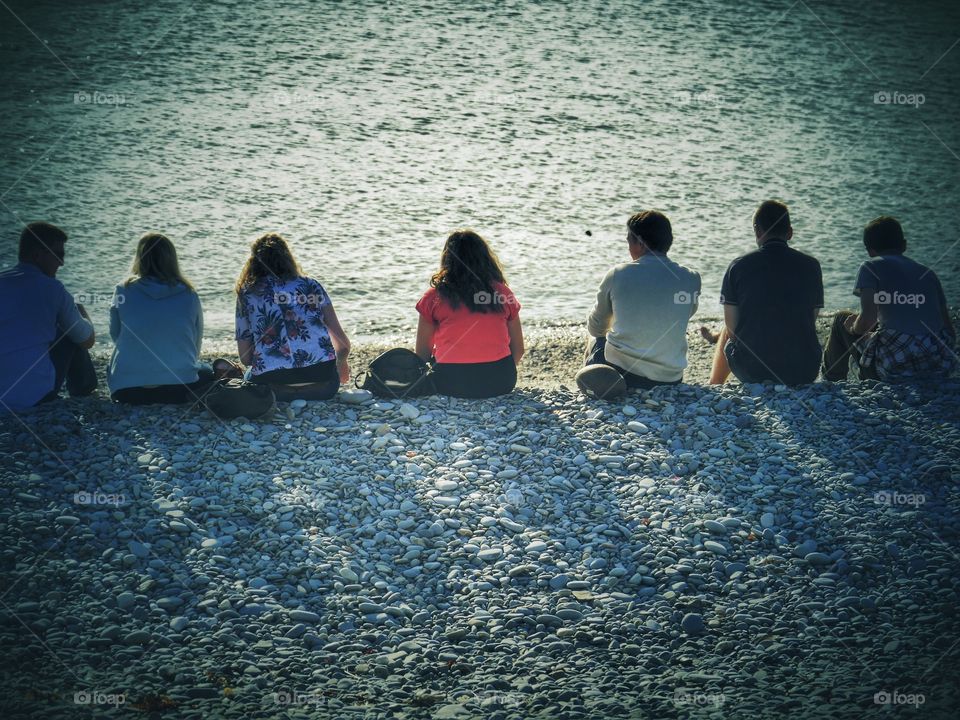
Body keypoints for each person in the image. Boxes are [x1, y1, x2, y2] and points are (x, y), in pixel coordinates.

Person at [577, 211, 701, 399]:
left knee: (595, 338)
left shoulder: (619, 274)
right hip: (671, 378)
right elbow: (683, 314)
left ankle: (594, 385)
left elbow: (596, 327)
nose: (628, 247)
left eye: (629, 240)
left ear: (640, 242)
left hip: (623, 373)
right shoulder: (691, 278)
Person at [822, 216, 956, 382]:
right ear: (904, 245)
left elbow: (867, 321)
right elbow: (949, 330)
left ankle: (831, 380)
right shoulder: (928, 273)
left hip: (892, 372)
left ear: (870, 250)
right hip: (935, 369)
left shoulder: (870, 267)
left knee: (841, 318)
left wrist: (852, 329)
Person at [709, 200, 823, 385]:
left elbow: (732, 330)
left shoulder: (739, 266)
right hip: (804, 370)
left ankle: (714, 383)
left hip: (754, 371)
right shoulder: (812, 266)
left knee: (727, 332)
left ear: (757, 231)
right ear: (790, 232)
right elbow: (810, 318)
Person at [235, 233, 351, 401]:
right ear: (288, 258)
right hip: (323, 387)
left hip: (273, 390)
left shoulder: (248, 293)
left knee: (247, 374)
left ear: (253, 263)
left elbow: (245, 358)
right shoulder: (311, 285)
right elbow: (342, 344)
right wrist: (341, 363)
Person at [414, 229, 524, 398]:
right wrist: (499, 370)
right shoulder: (503, 293)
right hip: (501, 382)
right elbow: (519, 349)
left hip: (447, 383)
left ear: (447, 259)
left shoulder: (433, 297)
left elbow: (421, 354)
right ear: (485, 258)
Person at [0, 222, 97, 412]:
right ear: (38, 255)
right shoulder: (54, 289)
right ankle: (83, 388)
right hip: (36, 397)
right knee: (69, 332)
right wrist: (83, 313)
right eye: (58, 255)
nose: (62, 263)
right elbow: (87, 340)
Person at [108, 233, 214, 404]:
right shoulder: (188, 293)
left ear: (139, 258)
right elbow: (195, 342)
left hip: (127, 390)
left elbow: (115, 334)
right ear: (172, 259)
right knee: (207, 372)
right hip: (179, 388)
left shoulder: (122, 290)